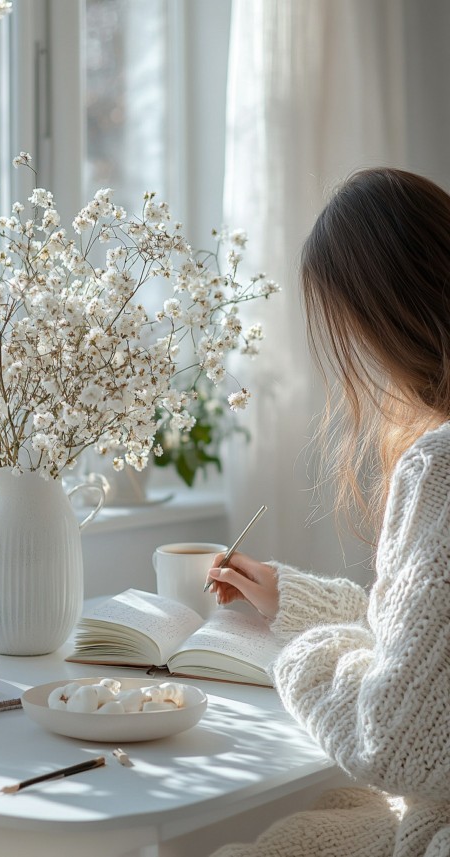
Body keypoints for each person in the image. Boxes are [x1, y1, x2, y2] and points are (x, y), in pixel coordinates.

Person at [205, 168, 450, 857]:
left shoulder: (442, 465)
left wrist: (303, 651)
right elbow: (433, 647)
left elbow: (392, 738)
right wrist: (296, 600)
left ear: (383, 319)